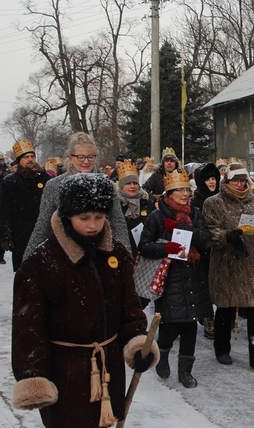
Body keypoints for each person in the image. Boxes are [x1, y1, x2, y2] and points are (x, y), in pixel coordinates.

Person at [11, 173, 158, 427]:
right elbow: (28, 330)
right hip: (66, 372)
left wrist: (138, 343)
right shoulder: (41, 263)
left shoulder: (116, 255)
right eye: (84, 218)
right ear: (68, 216)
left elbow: (130, 308)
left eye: (99, 217)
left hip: (108, 367)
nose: (93, 225)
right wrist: (33, 374)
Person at [136, 169, 212, 388]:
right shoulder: (157, 216)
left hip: (194, 276)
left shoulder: (195, 214)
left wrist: (181, 228)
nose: (185, 193)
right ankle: (163, 355)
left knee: (190, 328)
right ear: (169, 192)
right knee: (170, 327)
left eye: (187, 189)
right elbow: (144, 247)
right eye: (180, 190)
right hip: (169, 279)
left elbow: (205, 240)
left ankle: (185, 372)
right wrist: (165, 247)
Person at [202, 162, 254, 367]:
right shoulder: (213, 202)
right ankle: (222, 349)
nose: (240, 184)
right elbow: (210, 231)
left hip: (252, 263)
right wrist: (226, 236)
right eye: (236, 180)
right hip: (227, 264)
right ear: (227, 181)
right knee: (225, 308)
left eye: (243, 180)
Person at [24, 132, 131, 259]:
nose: (86, 161)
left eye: (91, 157)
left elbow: (117, 221)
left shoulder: (106, 185)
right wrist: (28, 260)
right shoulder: (54, 186)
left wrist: (125, 254)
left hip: (99, 254)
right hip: (65, 256)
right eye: (81, 157)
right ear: (70, 157)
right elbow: (43, 225)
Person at [0, 140, 52, 272]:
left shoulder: (44, 179)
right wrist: (5, 235)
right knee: (23, 272)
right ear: (19, 160)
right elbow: (4, 210)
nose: (30, 159)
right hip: (20, 233)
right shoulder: (10, 182)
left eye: (32, 156)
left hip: (43, 231)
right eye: (26, 157)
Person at [191, 162, 221, 339]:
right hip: (203, 249)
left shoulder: (221, 198)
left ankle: (221, 317)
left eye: (214, 178)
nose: (212, 182)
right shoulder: (196, 201)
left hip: (221, 247)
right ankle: (208, 317)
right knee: (205, 286)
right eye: (208, 179)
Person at [115, 159, 155, 256]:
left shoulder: (147, 201)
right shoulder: (115, 204)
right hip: (122, 251)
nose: (132, 186)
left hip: (145, 252)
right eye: (128, 184)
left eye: (135, 183)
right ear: (121, 186)